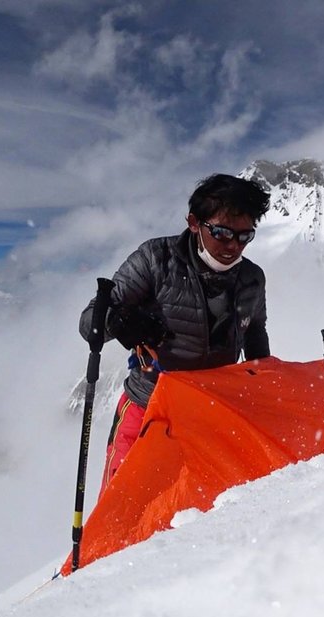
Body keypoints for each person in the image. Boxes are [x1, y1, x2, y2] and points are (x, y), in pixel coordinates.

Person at [80, 173, 272, 496]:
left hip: (212, 414)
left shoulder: (252, 279)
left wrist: (263, 386)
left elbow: (255, 333)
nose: (232, 246)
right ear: (194, 223)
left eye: (244, 236)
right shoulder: (156, 261)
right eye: (223, 233)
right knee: (123, 508)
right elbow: (90, 323)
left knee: (201, 515)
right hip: (147, 410)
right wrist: (126, 323)